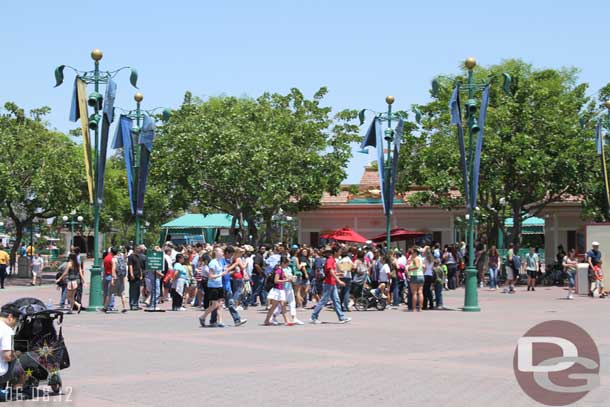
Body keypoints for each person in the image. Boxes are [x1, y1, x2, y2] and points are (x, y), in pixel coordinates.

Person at [310, 246, 351, 324]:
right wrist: (339, 280)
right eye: (339, 251)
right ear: (335, 252)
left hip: (332, 283)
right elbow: (330, 272)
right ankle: (313, 317)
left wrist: (338, 274)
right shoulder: (330, 260)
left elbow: (331, 272)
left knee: (336, 300)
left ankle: (341, 318)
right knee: (323, 301)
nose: (340, 253)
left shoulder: (333, 260)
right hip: (328, 283)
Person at [199, 248, 229, 327]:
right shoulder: (213, 262)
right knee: (215, 304)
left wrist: (226, 270)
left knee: (221, 304)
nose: (222, 252)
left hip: (219, 285)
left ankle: (220, 322)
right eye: (221, 251)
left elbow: (223, 271)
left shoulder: (220, 262)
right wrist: (221, 274)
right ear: (216, 252)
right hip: (213, 286)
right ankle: (203, 316)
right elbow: (211, 276)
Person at [0, 304, 25, 388]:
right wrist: (19, 353)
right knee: (26, 358)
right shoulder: (7, 330)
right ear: (10, 317)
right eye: (16, 320)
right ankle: (18, 387)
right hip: (2, 374)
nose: (16, 323)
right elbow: (7, 357)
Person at [265, 257, 295, 326]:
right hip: (277, 290)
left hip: (280, 290)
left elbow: (285, 276)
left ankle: (267, 320)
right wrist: (286, 280)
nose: (287, 265)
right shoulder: (278, 270)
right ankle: (286, 321)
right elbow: (276, 281)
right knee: (281, 305)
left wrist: (290, 278)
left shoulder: (281, 270)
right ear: (283, 263)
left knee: (279, 306)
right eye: (286, 264)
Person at [128, 245, 145, 311]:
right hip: (133, 276)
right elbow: (130, 266)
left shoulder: (138, 256)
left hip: (138, 276)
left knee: (138, 291)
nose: (139, 249)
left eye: (139, 248)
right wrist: (131, 274)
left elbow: (140, 267)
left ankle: (136, 304)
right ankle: (132, 304)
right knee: (133, 291)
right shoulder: (131, 257)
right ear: (134, 249)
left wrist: (141, 275)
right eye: (138, 248)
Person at [407, 247, 424, 312]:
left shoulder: (415, 258)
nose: (411, 254)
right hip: (421, 275)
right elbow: (423, 267)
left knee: (414, 293)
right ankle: (420, 308)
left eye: (412, 252)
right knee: (420, 292)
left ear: (415, 253)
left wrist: (410, 269)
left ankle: (414, 308)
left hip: (415, 275)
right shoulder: (420, 258)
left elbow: (417, 266)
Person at [102, 248, 117, 313]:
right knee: (111, 293)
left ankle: (105, 305)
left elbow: (104, 268)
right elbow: (113, 269)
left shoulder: (105, 258)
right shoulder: (112, 259)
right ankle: (111, 306)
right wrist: (113, 278)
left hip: (106, 276)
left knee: (106, 292)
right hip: (110, 276)